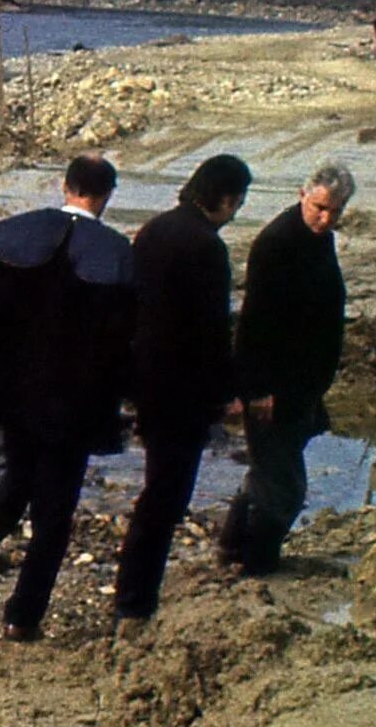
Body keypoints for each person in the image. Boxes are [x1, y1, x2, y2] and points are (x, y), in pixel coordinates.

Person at [0, 154, 135, 643]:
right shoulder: (115, 254)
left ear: (65, 186)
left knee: (21, 465)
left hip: (12, 392)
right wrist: (123, 401)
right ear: (106, 196)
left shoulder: (11, 235)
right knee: (54, 516)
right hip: (73, 405)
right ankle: (22, 616)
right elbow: (122, 343)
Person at [113, 153, 252, 632]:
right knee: (165, 497)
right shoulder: (207, 247)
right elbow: (213, 332)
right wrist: (226, 393)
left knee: (158, 491)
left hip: (148, 381)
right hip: (184, 390)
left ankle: (134, 598)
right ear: (227, 199)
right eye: (238, 204)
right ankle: (134, 604)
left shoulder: (153, 231)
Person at [219, 162, 355, 576]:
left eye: (335, 211)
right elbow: (256, 323)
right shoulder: (277, 244)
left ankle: (233, 548)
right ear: (302, 195)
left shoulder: (318, 240)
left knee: (270, 471)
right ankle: (258, 561)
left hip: (301, 384)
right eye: (320, 208)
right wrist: (256, 389)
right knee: (285, 484)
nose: (326, 218)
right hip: (274, 384)